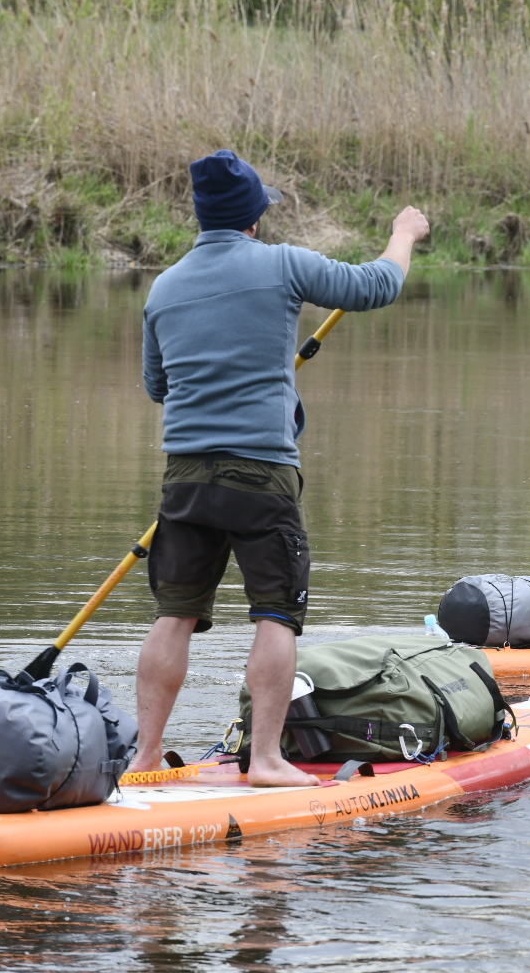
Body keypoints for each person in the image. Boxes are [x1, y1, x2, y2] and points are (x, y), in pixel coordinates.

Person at [132, 149, 428, 787]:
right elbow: (378, 285)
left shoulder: (164, 287)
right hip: (260, 476)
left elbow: (159, 386)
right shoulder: (283, 264)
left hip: (184, 478)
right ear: (254, 219)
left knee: (174, 614)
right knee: (275, 613)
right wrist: (403, 235)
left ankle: (145, 757)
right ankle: (266, 760)